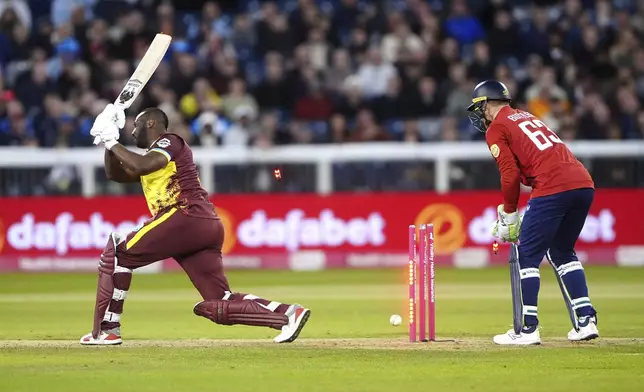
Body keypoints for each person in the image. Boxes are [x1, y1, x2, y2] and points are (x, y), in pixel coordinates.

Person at [80, 104, 311, 345]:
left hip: (185, 214)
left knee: (117, 253)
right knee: (220, 301)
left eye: (136, 126)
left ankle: (108, 329)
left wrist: (111, 142)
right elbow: (115, 175)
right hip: (202, 225)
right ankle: (288, 315)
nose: (133, 132)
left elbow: (139, 166)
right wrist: (110, 140)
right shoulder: (152, 156)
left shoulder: (169, 142)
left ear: (150, 123)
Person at [467, 80, 599, 345]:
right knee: (562, 252)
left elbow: (510, 174)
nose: (480, 115)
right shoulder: (526, 116)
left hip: (553, 186)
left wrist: (510, 213)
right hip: (583, 183)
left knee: (527, 253)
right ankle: (586, 320)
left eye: (480, 108)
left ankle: (527, 329)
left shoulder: (497, 128)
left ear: (487, 104)